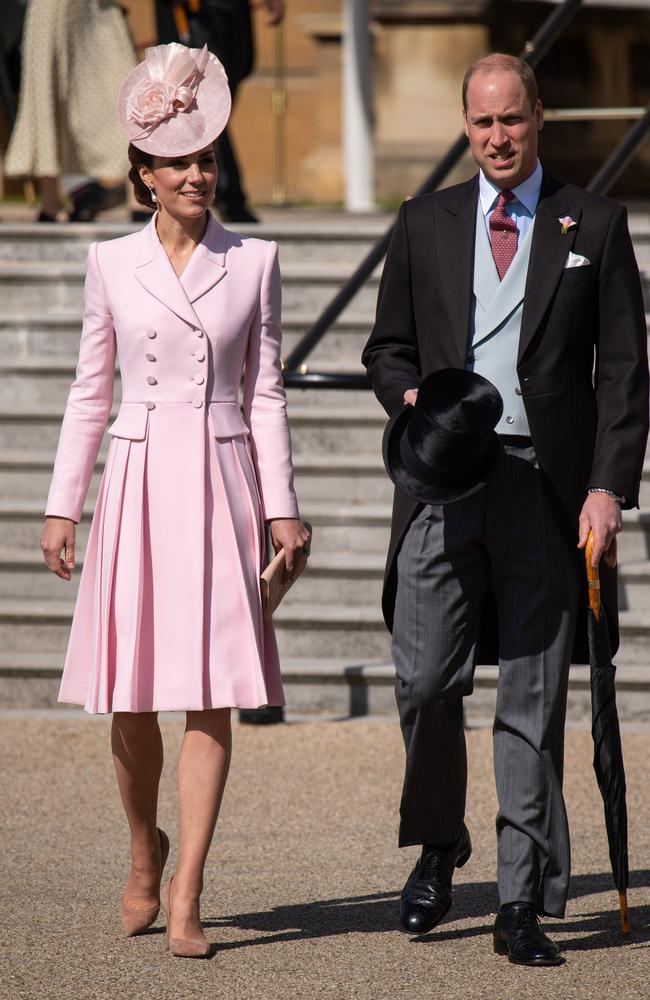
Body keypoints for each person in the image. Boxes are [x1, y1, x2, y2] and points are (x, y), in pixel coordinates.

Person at [362, 53, 648, 966]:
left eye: (512, 121)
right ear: (465, 123)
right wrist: (411, 400)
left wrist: (608, 487)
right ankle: (441, 844)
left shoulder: (593, 225)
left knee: (532, 697)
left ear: (539, 119)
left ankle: (520, 897)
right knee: (424, 683)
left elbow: (624, 375)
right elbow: (386, 349)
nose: (496, 138)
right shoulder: (423, 222)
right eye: (481, 123)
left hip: (548, 493)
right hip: (442, 488)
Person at [40, 40, 310, 958]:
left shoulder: (257, 260)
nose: (197, 172)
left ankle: (189, 886)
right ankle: (142, 850)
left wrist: (282, 505)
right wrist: (61, 503)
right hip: (141, 479)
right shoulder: (111, 263)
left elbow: (266, 389)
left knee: (210, 696)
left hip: (225, 478)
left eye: (206, 157)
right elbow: (90, 389)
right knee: (131, 699)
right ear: (145, 175)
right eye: (179, 161)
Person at [4, 0, 141, 221]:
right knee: (48, 88)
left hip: (99, 5)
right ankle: (50, 201)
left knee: (120, 82)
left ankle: (137, 193)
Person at [155, 0, 284, 223]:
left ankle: (226, 194)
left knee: (220, 95)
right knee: (202, 104)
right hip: (193, 12)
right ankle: (227, 195)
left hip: (229, 10)